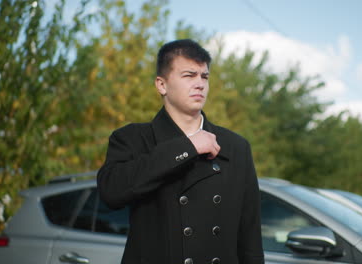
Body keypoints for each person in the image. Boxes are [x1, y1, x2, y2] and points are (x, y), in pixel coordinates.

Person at [97, 39, 264, 264]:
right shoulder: (132, 139)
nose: (200, 84)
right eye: (189, 75)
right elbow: (111, 192)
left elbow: (250, 237)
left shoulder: (235, 146)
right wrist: (189, 147)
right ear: (161, 85)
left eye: (204, 76)